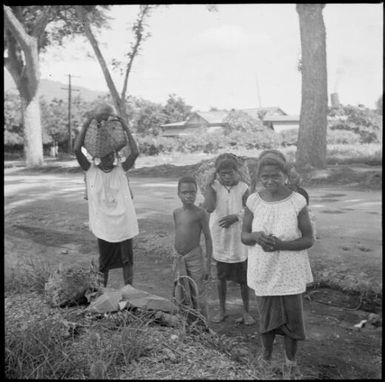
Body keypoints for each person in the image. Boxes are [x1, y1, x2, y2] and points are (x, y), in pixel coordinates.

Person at [241, 150, 314, 378]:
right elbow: (244, 235)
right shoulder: (253, 201)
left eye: (275, 176)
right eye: (265, 177)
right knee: (266, 318)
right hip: (263, 269)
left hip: (289, 271)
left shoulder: (297, 201)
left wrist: (281, 245)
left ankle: (290, 364)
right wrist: (256, 237)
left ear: (285, 175)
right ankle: (265, 359)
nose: (270, 181)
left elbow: (308, 239)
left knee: (293, 319)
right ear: (258, 178)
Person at [74, 103, 139, 287]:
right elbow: (77, 150)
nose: (108, 158)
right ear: (98, 156)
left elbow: (135, 152)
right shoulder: (91, 171)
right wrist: (87, 124)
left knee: (127, 259)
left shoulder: (121, 169)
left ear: (114, 154)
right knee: (105, 262)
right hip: (103, 223)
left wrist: (126, 128)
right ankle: (102, 293)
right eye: (104, 155)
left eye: (111, 155)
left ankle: (129, 290)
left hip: (124, 222)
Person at [203, 155, 256, 325]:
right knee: (221, 276)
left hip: (238, 239)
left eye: (230, 173)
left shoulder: (243, 188)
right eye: (223, 173)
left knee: (243, 278)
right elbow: (210, 207)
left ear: (237, 172)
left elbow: (250, 209)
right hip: (220, 237)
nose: (227, 177)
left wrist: (236, 216)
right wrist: (208, 185)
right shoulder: (214, 187)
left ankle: (246, 311)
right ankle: (222, 310)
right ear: (217, 173)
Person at [173, 176, 213, 320]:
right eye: (185, 192)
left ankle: (203, 325)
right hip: (179, 256)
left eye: (192, 192)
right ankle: (185, 322)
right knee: (181, 289)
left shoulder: (200, 213)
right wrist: (176, 253)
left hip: (194, 257)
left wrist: (208, 264)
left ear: (196, 193)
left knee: (198, 291)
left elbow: (208, 238)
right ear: (179, 194)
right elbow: (178, 232)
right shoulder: (176, 212)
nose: (189, 195)